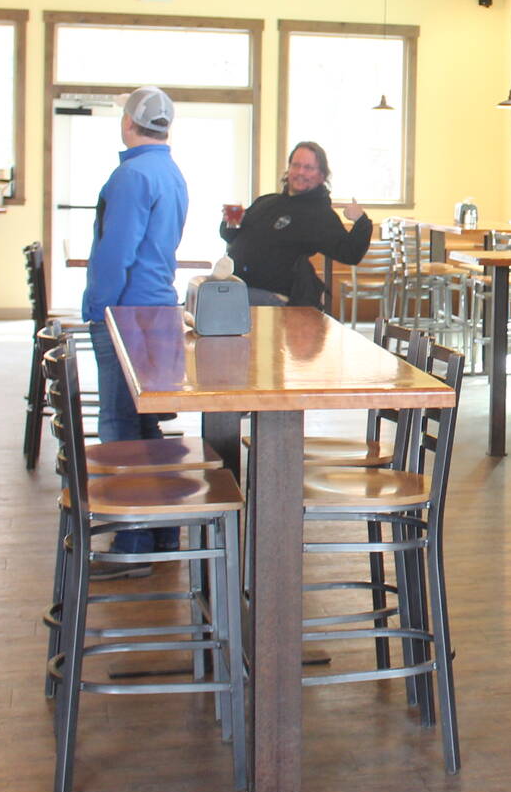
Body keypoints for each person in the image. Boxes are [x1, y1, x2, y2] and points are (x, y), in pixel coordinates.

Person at [80, 87, 188, 569]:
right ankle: (165, 534)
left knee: (120, 427)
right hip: (161, 311)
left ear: (128, 122)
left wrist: (98, 307)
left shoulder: (129, 176)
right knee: (148, 425)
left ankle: (132, 543)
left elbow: (115, 253)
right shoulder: (171, 173)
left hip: (125, 315)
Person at [218, 141, 372, 308]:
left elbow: (350, 253)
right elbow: (230, 236)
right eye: (296, 165)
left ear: (321, 175)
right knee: (199, 298)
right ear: (288, 169)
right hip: (235, 286)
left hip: (270, 297)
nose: (300, 172)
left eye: (308, 168)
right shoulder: (266, 201)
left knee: (214, 306)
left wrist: (361, 220)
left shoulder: (319, 213)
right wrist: (230, 220)